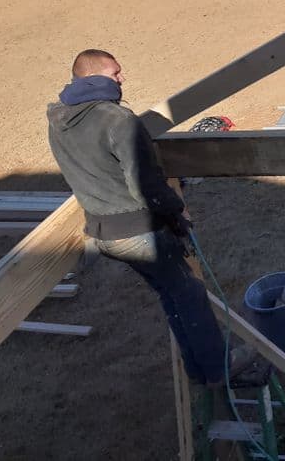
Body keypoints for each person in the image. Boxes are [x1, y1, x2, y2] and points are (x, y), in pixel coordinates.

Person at [47, 49, 252, 386]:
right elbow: (146, 184)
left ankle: (199, 369)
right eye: (115, 73)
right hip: (138, 231)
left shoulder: (60, 119)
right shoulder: (118, 120)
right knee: (190, 294)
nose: (121, 79)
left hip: (103, 232)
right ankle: (217, 369)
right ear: (93, 77)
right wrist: (176, 212)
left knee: (172, 293)